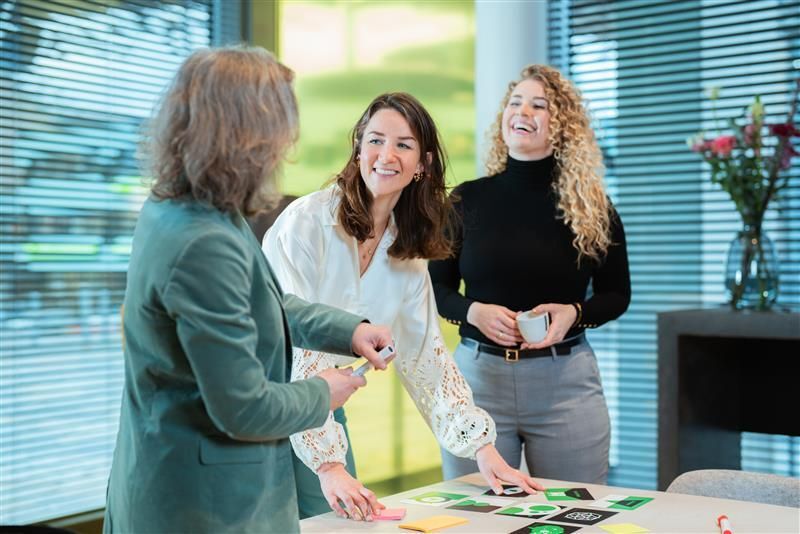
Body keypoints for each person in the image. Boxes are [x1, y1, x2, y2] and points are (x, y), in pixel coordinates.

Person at [103, 46, 394, 534]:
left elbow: (266, 305)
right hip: (203, 505)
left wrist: (350, 331)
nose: (286, 146)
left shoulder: (187, 208)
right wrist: (322, 392)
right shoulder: (202, 241)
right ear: (248, 135)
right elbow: (243, 407)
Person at [263, 92, 544, 521]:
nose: (385, 155)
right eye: (375, 140)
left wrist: (483, 450)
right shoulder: (308, 221)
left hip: (322, 412)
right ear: (358, 147)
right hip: (259, 403)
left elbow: (426, 358)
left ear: (423, 164)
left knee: (344, 523)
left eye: (403, 144)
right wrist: (330, 465)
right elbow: (299, 342)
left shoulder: (406, 250)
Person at [429, 64, 631, 485]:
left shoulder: (593, 207)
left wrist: (574, 313)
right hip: (477, 382)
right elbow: (436, 289)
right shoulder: (466, 199)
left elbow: (617, 295)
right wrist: (473, 312)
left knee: (576, 514)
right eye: (515, 102)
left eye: (539, 104)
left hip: (566, 384)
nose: (523, 111)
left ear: (562, 125)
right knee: (476, 517)